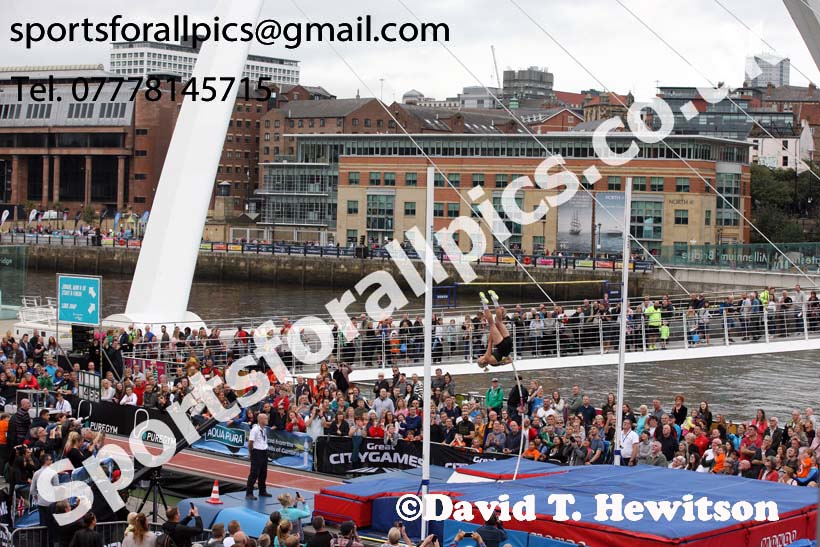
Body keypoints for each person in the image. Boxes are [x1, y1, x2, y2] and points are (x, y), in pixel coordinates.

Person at [477, 291, 514, 370]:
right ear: (483, 361)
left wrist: (505, 358)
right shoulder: (487, 358)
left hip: (509, 346)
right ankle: (485, 303)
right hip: (502, 346)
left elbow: (510, 361)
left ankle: (494, 300)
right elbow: (490, 343)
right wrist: (492, 331)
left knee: (499, 321)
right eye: (479, 358)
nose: (480, 356)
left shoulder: (494, 364)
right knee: (492, 324)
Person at [246, 413, 271, 500]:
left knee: (263, 473)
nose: (267, 420)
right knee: (254, 473)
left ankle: (262, 491)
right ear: (260, 420)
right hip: (257, 452)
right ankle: (249, 493)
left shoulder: (264, 429)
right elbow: (250, 442)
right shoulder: (255, 430)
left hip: (264, 452)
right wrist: (251, 452)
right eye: (265, 418)